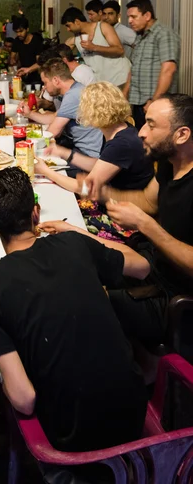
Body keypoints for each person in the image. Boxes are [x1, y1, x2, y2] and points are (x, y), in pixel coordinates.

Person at [0, 167, 148, 456]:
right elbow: (142, 266)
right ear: (36, 213)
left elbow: (24, 399)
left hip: (71, 439)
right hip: (133, 413)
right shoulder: (73, 243)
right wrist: (80, 235)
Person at [96, 94, 193, 345]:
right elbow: (149, 202)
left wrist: (144, 224)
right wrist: (103, 192)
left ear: (182, 135)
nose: (141, 132)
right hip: (154, 265)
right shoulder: (170, 164)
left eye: (151, 124)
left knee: (87, 300)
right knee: (86, 269)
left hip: (177, 297)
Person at [35, 81, 154, 207]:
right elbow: (100, 164)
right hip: (117, 201)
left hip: (125, 210)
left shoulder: (121, 144)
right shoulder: (118, 129)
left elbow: (85, 188)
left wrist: (45, 171)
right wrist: (63, 152)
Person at [21, 59, 103, 163]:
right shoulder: (77, 88)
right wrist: (29, 113)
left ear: (56, 80)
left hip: (87, 156)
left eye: (45, 83)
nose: (44, 88)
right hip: (82, 150)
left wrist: (25, 144)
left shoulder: (72, 95)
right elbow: (54, 118)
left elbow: (52, 132)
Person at [125, 0, 180, 131]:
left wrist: (154, 101)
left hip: (154, 103)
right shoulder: (140, 36)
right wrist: (124, 96)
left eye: (133, 17)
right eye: (129, 17)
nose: (129, 21)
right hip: (138, 102)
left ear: (147, 15)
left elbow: (168, 69)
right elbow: (134, 68)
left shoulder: (164, 34)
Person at [61, 7, 130, 88]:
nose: (68, 29)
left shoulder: (103, 27)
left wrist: (94, 47)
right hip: (104, 84)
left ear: (77, 22)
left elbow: (120, 50)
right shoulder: (75, 39)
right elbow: (61, 52)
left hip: (121, 79)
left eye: (68, 26)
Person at [11, 16, 44, 85]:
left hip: (36, 78)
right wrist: (13, 60)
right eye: (16, 32)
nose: (18, 34)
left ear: (27, 29)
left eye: (21, 31)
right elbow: (12, 58)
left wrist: (28, 70)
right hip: (23, 76)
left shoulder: (36, 41)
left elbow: (40, 63)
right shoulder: (17, 41)